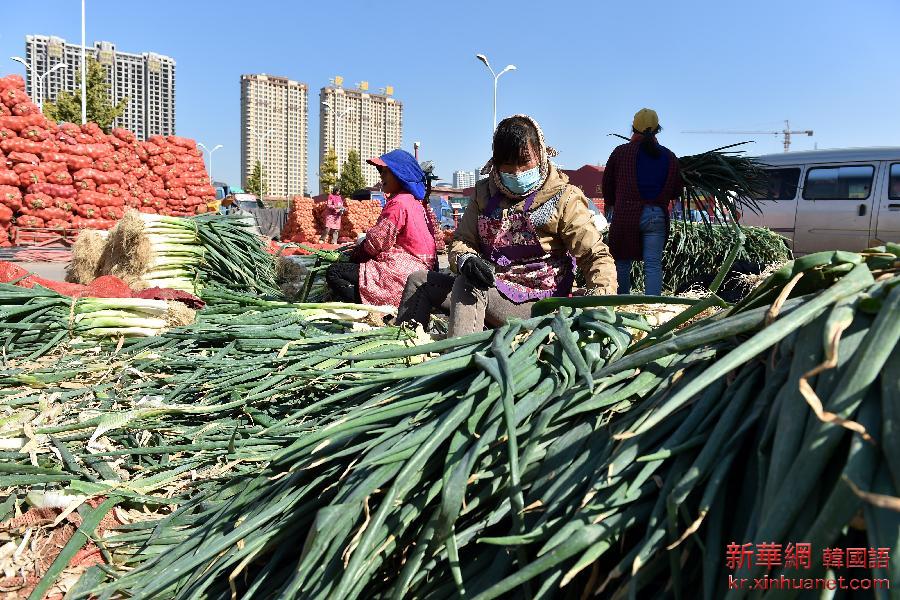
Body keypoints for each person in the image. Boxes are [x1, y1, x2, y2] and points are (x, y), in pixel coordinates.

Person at [397, 115, 617, 337]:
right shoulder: (484, 194)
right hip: (495, 289)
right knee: (419, 282)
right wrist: (465, 259)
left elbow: (595, 255)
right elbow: (462, 241)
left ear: (540, 154)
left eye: (524, 162)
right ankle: (403, 350)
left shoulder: (563, 198)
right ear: (496, 162)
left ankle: (458, 364)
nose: (517, 172)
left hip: (537, 303)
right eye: (508, 164)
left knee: (469, 285)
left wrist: (601, 301)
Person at [325, 149, 439, 307]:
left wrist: (353, 255)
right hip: (424, 269)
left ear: (400, 175)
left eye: (386, 172)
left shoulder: (399, 203)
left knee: (334, 272)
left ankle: (377, 308)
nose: (381, 176)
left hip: (407, 272)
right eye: (381, 172)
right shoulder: (415, 202)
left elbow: (376, 244)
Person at [602, 108, 682, 296]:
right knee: (653, 264)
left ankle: (621, 303)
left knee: (621, 261)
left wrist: (610, 203)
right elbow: (677, 190)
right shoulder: (669, 156)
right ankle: (652, 306)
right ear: (658, 129)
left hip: (625, 215)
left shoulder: (621, 152)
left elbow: (608, 183)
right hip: (656, 216)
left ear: (633, 128)